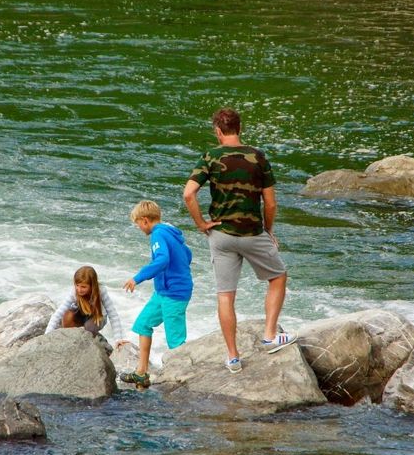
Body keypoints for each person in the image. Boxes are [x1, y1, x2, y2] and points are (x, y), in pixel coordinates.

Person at [182, 107, 297, 374]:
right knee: (278, 277)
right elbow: (270, 203)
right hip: (252, 233)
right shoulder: (257, 157)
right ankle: (270, 336)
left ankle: (233, 357)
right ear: (240, 128)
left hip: (220, 235)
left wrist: (201, 224)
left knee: (225, 295)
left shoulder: (210, 156)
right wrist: (269, 231)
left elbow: (189, 194)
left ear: (218, 131)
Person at [120, 200, 193, 389]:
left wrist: (137, 278)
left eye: (137, 223)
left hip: (174, 293)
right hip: (163, 292)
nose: (138, 227)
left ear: (145, 220)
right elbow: (188, 254)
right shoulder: (171, 233)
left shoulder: (158, 234)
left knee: (175, 340)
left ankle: (184, 378)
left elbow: (162, 260)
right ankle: (141, 373)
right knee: (143, 324)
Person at [46, 265, 124, 342]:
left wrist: (118, 339)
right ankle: (72, 338)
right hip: (81, 314)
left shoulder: (101, 291)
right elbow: (59, 313)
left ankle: (88, 339)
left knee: (89, 328)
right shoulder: (74, 292)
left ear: (92, 286)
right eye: (77, 285)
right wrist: (47, 335)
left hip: (97, 317)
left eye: (83, 287)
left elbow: (113, 315)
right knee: (67, 316)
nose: (79, 289)